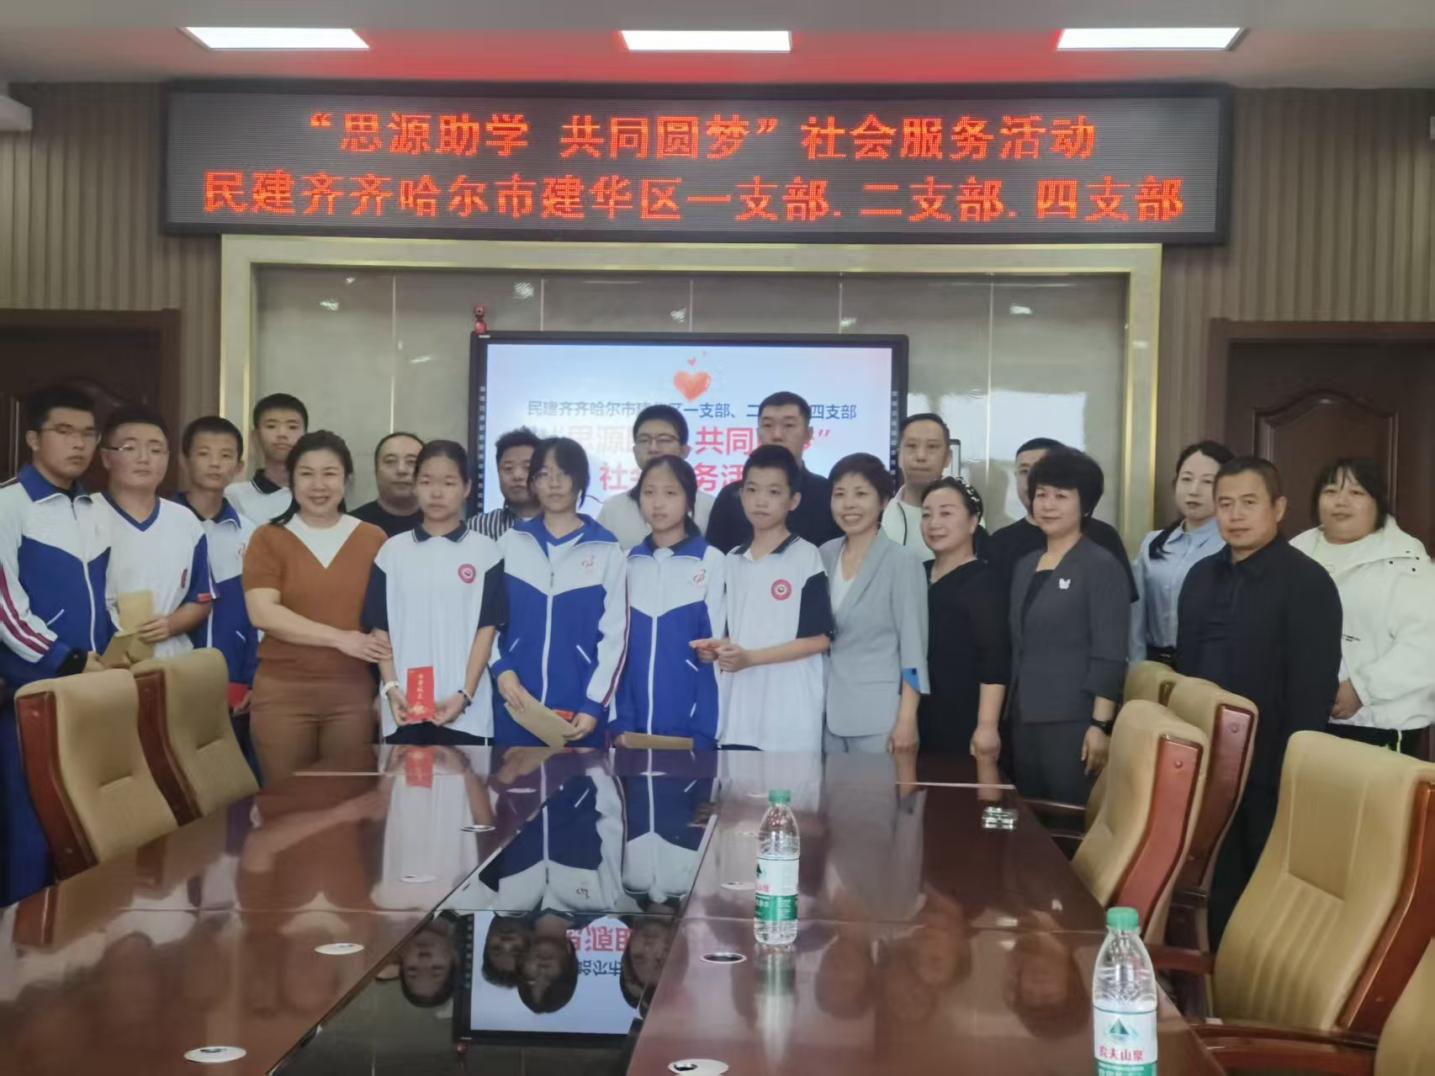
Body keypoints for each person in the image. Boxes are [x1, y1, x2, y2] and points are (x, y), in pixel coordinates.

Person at [1177, 456, 1342, 947]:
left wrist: (1293, 770)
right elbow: (1188, 669)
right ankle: (1202, 967)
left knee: (1259, 884)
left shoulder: (1307, 582)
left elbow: (1313, 688)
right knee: (1205, 876)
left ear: (1279, 508)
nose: (1235, 515)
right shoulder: (1200, 576)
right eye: (1225, 503)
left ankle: (1247, 975)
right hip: (1205, 757)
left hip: (1270, 762)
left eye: (1249, 503)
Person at [0, 386, 113, 905]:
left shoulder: (92, 507)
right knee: (31, 825)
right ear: (33, 438)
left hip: (92, 686)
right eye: (64, 432)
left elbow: (106, 598)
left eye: (88, 434)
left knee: (87, 822)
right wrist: (64, 659)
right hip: (33, 691)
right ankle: (19, 943)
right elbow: (6, 607)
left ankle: (80, 938)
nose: (78, 444)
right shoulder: (8, 504)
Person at [242, 431, 390, 783]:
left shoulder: (373, 538)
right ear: (291, 481)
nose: (318, 485)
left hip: (352, 695)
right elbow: (263, 613)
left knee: (347, 801)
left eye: (330, 473)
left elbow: (386, 621)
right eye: (307, 474)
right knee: (287, 802)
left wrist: (387, 688)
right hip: (282, 694)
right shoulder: (268, 538)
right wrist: (340, 638)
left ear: (347, 480)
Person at [363, 441, 507, 746]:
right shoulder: (392, 551)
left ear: (467, 488)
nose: (437, 493)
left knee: (464, 778)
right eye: (427, 482)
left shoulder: (486, 552)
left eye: (449, 483)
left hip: (467, 711)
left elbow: (486, 630)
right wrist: (391, 687)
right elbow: (380, 629)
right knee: (405, 778)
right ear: (415, 486)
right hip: (404, 706)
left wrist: (465, 694)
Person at [489, 437, 628, 749]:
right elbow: (487, 623)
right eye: (543, 474)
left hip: (579, 712)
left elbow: (616, 637)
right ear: (533, 483)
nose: (553, 483)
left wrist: (594, 703)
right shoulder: (510, 544)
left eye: (563, 474)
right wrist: (501, 670)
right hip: (516, 703)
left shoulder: (607, 550)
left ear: (581, 480)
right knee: (512, 780)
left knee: (577, 779)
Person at [1291, 458, 1435, 757]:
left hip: (1377, 723)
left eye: (1356, 493)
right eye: (1330, 491)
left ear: (1378, 503)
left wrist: (1361, 689)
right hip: (1302, 718)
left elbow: (1424, 646)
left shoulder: (1409, 563)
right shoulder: (1294, 553)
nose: (1341, 501)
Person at [1007, 449, 1128, 803]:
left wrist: (1100, 725)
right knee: (1029, 818)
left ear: (1085, 505)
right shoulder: (1026, 564)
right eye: (1041, 494)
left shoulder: (1101, 565)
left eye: (1061, 496)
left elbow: (1110, 652)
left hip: (1073, 720)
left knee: (1067, 817)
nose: (1048, 504)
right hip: (1023, 716)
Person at [704, 444, 833, 751]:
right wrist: (716, 649)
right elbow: (734, 632)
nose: (761, 501)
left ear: (794, 501)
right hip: (739, 708)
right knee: (736, 780)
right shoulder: (732, 560)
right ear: (741, 495)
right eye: (752, 490)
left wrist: (750, 658)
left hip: (790, 710)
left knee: (789, 783)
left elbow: (819, 639)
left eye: (774, 492)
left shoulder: (806, 556)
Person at [613, 455, 725, 749]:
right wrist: (620, 722)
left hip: (692, 725)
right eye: (649, 493)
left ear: (689, 500)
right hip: (630, 725)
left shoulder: (712, 561)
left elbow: (713, 652)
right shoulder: (625, 563)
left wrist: (703, 728)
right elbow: (615, 648)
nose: (658, 503)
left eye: (670, 493)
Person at [820, 453, 929, 754]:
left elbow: (914, 651)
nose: (849, 504)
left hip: (880, 718)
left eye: (860, 494)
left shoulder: (902, 562)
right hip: (823, 713)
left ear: (883, 501)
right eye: (839, 494)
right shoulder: (823, 555)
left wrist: (906, 718)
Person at [95, 405, 212, 659]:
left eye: (156, 450)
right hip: (105, 663)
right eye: (130, 448)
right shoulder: (85, 515)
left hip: (174, 663)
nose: (144, 458)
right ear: (106, 457)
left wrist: (171, 625)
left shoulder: (185, 520)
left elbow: (201, 598)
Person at [175, 416, 259, 726]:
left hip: (231, 677)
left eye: (225, 455)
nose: (214, 463)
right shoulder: (163, 523)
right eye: (203, 453)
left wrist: (254, 678)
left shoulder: (250, 534)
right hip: (170, 673)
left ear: (239, 467)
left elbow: (258, 616)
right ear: (184, 460)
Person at [918, 477, 1010, 757]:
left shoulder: (984, 581)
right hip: (916, 711)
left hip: (964, 714)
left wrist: (987, 725)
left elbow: (994, 658)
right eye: (926, 514)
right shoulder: (917, 572)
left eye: (946, 513)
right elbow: (909, 651)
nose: (934, 523)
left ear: (972, 522)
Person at [986, 437, 1136, 600]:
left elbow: (1120, 603)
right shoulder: (1001, 542)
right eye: (1024, 471)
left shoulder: (1103, 536)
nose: (1031, 479)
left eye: (1042, 470)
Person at [1129, 441, 1233, 665]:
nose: (1194, 490)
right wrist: (1136, 669)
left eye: (1207, 482)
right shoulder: (1153, 542)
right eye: (1186, 479)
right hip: (1154, 664)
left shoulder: (1232, 545)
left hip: (1207, 666)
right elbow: (1136, 616)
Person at [704, 390, 842, 553]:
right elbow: (713, 559)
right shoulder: (731, 496)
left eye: (788, 425)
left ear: (808, 434)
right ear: (758, 433)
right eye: (768, 425)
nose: (777, 435)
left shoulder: (827, 494)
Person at [598, 404, 716, 550]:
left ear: (684, 450)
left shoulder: (709, 507)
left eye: (664, 440)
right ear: (634, 451)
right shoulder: (613, 508)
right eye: (644, 440)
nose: (653, 448)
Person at [883, 412, 990, 560]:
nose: (921, 456)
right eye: (912, 446)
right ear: (899, 456)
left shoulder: (966, 513)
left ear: (948, 457)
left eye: (932, 446)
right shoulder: (880, 515)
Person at [225, 392, 307, 526]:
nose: (282, 434)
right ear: (255, 437)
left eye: (292, 427)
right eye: (271, 426)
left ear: (306, 437)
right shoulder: (233, 496)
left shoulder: (318, 493)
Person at [470, 427, 541, 541]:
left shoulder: (565, 526)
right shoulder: (478, 527)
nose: (517, 476)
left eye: (528, 468)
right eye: (508, 468)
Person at [351, 432, 424, 537]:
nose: (401, 470)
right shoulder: (350, 527)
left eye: (412, 462)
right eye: (390, 461)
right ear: (376, 471)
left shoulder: (443, 525)